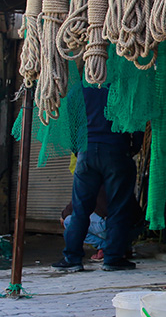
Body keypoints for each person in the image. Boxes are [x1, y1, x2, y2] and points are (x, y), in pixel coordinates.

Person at [52, 85, 143, 272]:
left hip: (86, 151)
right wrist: (133, 148)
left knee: (80, 209)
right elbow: (138, 120)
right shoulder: (124, 87)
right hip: (117, 150)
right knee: (117, 208)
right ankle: (113, 258)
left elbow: (70, 126)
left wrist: (79, 152)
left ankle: (72, 259)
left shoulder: (79, 89)